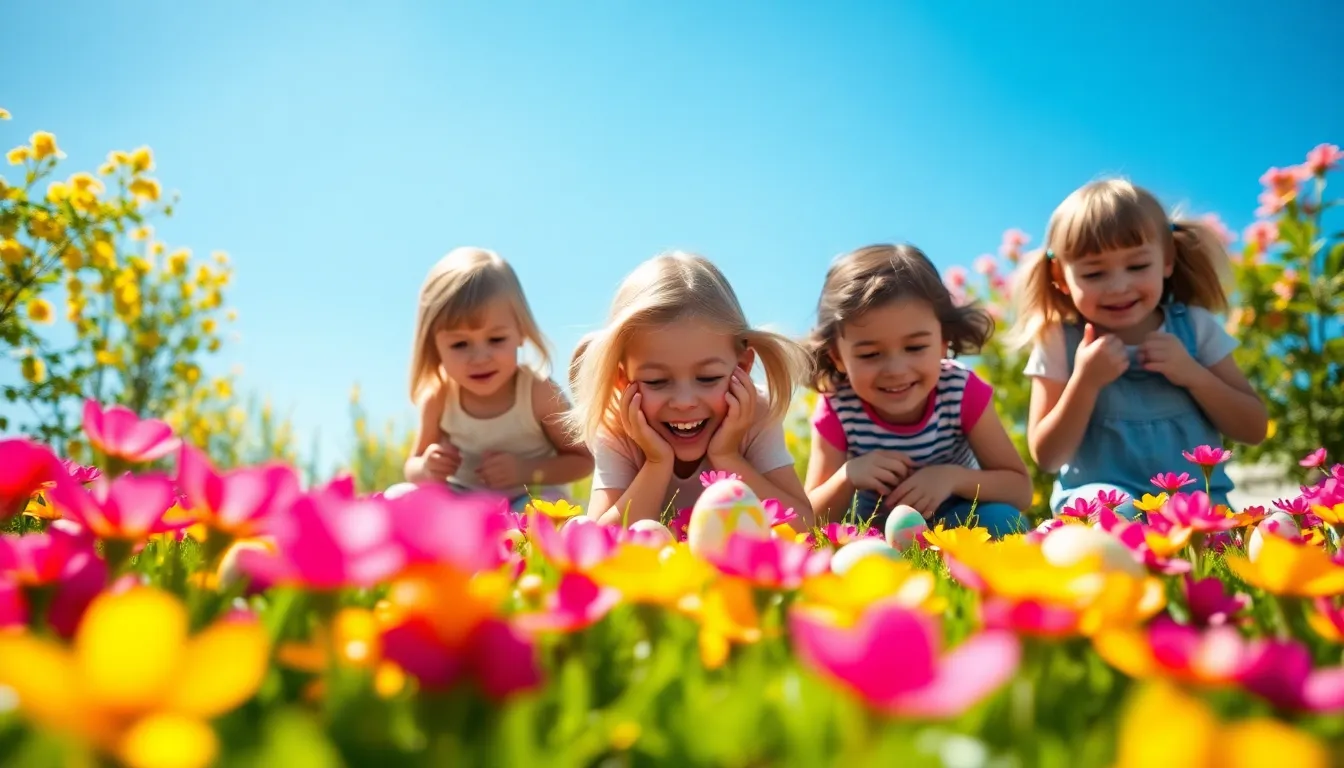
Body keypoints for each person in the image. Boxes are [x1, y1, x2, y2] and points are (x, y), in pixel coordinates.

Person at [1012, 178, 1268, 518]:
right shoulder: (1059, 341)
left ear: (1167, 259)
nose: (1119, 286)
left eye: (1137, 266)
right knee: (1115, 514)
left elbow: (1252, 428)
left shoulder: (1195, 327)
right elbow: (1048, 456)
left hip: (1194, 506)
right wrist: (1084, 383)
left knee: (1268, 530)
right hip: (1102, 503)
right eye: (1094, 273)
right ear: (1060, 276)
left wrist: (1193, 375)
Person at [568, 250, 814, 529]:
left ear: (742, 367)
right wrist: (656, 462)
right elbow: (603, 538)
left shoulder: (756, 413)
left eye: (708, 378)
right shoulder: (617, 425)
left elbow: (803, 524)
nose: (684, 402)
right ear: (622, 380)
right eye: (656, 381)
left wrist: (728, 457)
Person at [803, 243, 1032, 537]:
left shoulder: (961, 391)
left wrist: (950, 478)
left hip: (958, 525)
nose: (896, 370)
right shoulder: (838, 406)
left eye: (915, 347)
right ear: (837, 357)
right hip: (876, 533)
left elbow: (1019, 489)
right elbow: (810, 519)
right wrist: (848, 476)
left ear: (943, 341)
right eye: (870, 354)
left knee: (1004, 521)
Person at [390, 246, 592, 510]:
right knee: (397, 496)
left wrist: (525, 471)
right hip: (462, 502)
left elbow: (582, 461)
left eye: (496, 339)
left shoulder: (537, 391)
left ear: (520, 332)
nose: (479, 357)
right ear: (434, 346)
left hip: (526, 498)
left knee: (545, 509)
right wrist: (428, 467)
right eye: (460, 344)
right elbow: (412, 466)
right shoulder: (439, 396)